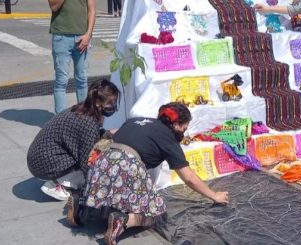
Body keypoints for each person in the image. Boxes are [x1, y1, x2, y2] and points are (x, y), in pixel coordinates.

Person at [66, 102, 229, 245]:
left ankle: (80, 203)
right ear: (177, 125)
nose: (184, 132)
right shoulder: (168, 139)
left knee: (107, 195)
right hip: (126, 167)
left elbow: (114, 132)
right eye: (184, 128)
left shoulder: (135, 121)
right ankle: (123, 221)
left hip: (102, 161)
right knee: (156, 213)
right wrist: (214, 195)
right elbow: (189, 178)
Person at [27, 79, 120, 201]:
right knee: (93, 167)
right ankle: (57, 186)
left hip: (37, 158)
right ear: (98, 102)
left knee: (97, 154)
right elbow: (87, 162)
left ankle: (59, 179)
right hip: (43, 165)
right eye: (111, 103)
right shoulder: (88, 123)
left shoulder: (82, 109)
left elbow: (86, 137)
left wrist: (105, 134)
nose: (113, 106)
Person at [45, 0, 96, 115]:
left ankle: (82, 117)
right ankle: (59, 119)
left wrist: (88, 34)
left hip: (82, 37)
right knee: (61, 81)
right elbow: (54, 5)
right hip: (61, 37)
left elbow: (92, 10)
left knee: (82, 80)